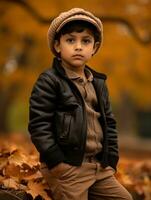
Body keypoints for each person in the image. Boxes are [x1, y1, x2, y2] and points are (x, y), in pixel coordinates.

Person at [28, 8, 133, 200]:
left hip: (98, 168)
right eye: (70, 40)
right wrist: (57, 161)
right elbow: (39, 124)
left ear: (94, 47)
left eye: (86, 41)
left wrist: (111, 161)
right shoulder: (50, 80)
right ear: (58, 46)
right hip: (68, 168)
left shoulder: (98, 83)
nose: (78, 46)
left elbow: (109, 123)